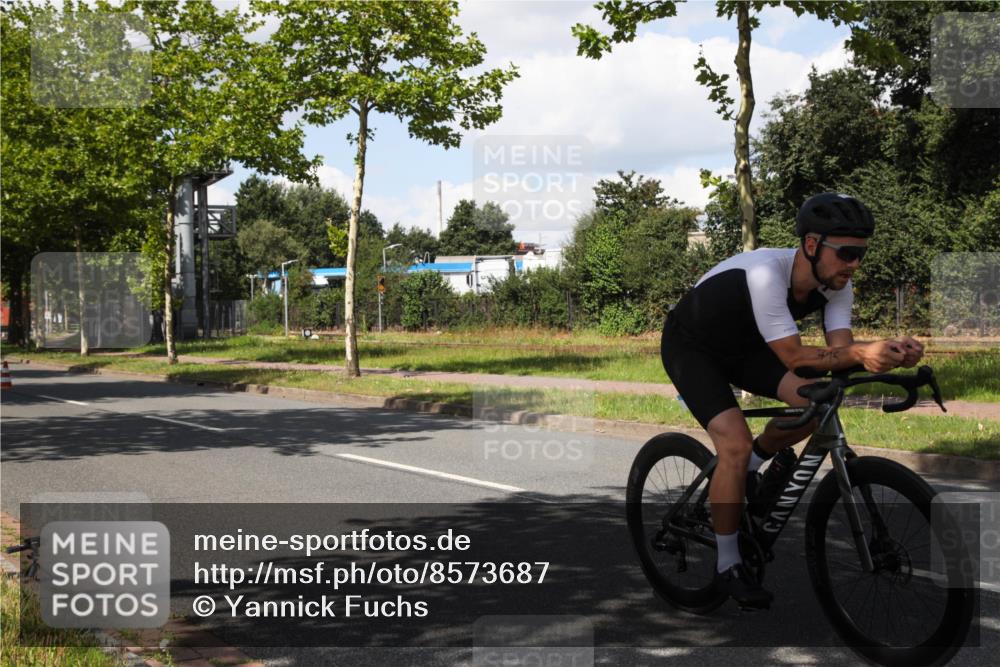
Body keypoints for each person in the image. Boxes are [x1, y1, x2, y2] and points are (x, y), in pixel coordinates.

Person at [659, 192, 924, 608]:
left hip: (748, 349)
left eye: (861, 255)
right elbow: (797, 357)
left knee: (817, 405)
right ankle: (728, 565)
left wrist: (887, 358)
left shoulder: (837, 287)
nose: (855, 265)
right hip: (693, 347)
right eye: (848, 254)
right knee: (733, 442)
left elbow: (836, 359)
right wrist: (860, 353)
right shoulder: (766, 274)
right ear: (813, 245)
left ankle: (751, 464)